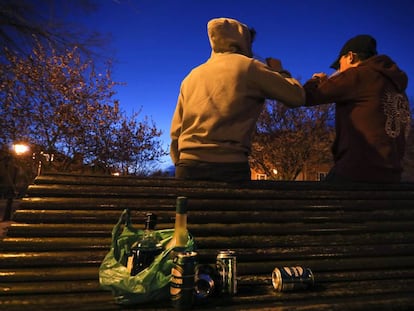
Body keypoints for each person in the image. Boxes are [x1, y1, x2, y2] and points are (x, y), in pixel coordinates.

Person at [170, 17, 305, 182]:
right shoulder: (248, 67)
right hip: (229, 168)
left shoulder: (191, 77)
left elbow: (176, 132)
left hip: (187, 167)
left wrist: (181, 163)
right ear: (243, 40)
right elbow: (296, 97)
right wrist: (280, 71)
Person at [304, 34, 411, 183]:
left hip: (357, 172)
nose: (340, 71)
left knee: (313, 202)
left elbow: (307, 96)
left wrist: (316, 79)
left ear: (350, 57)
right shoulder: (398, 89)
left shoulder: (358, 75)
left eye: (340, 65)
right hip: (392, 176)